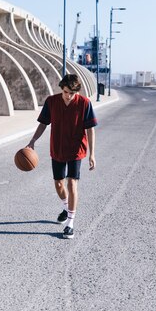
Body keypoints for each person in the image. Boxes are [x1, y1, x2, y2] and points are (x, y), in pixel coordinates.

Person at [26, 74, 97, 239]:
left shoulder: (85, 103)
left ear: (77, 92)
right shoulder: (51, 102)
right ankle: (66, 207)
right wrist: (33, 140)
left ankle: (70, 223)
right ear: (62, 89)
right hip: (57, 148)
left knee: (72, 184)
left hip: (76, 149)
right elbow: (43, 123)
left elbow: (90, 129)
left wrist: (92, 154)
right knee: (59, 185)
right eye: (66, 92)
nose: (69, 96)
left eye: (72, 93)